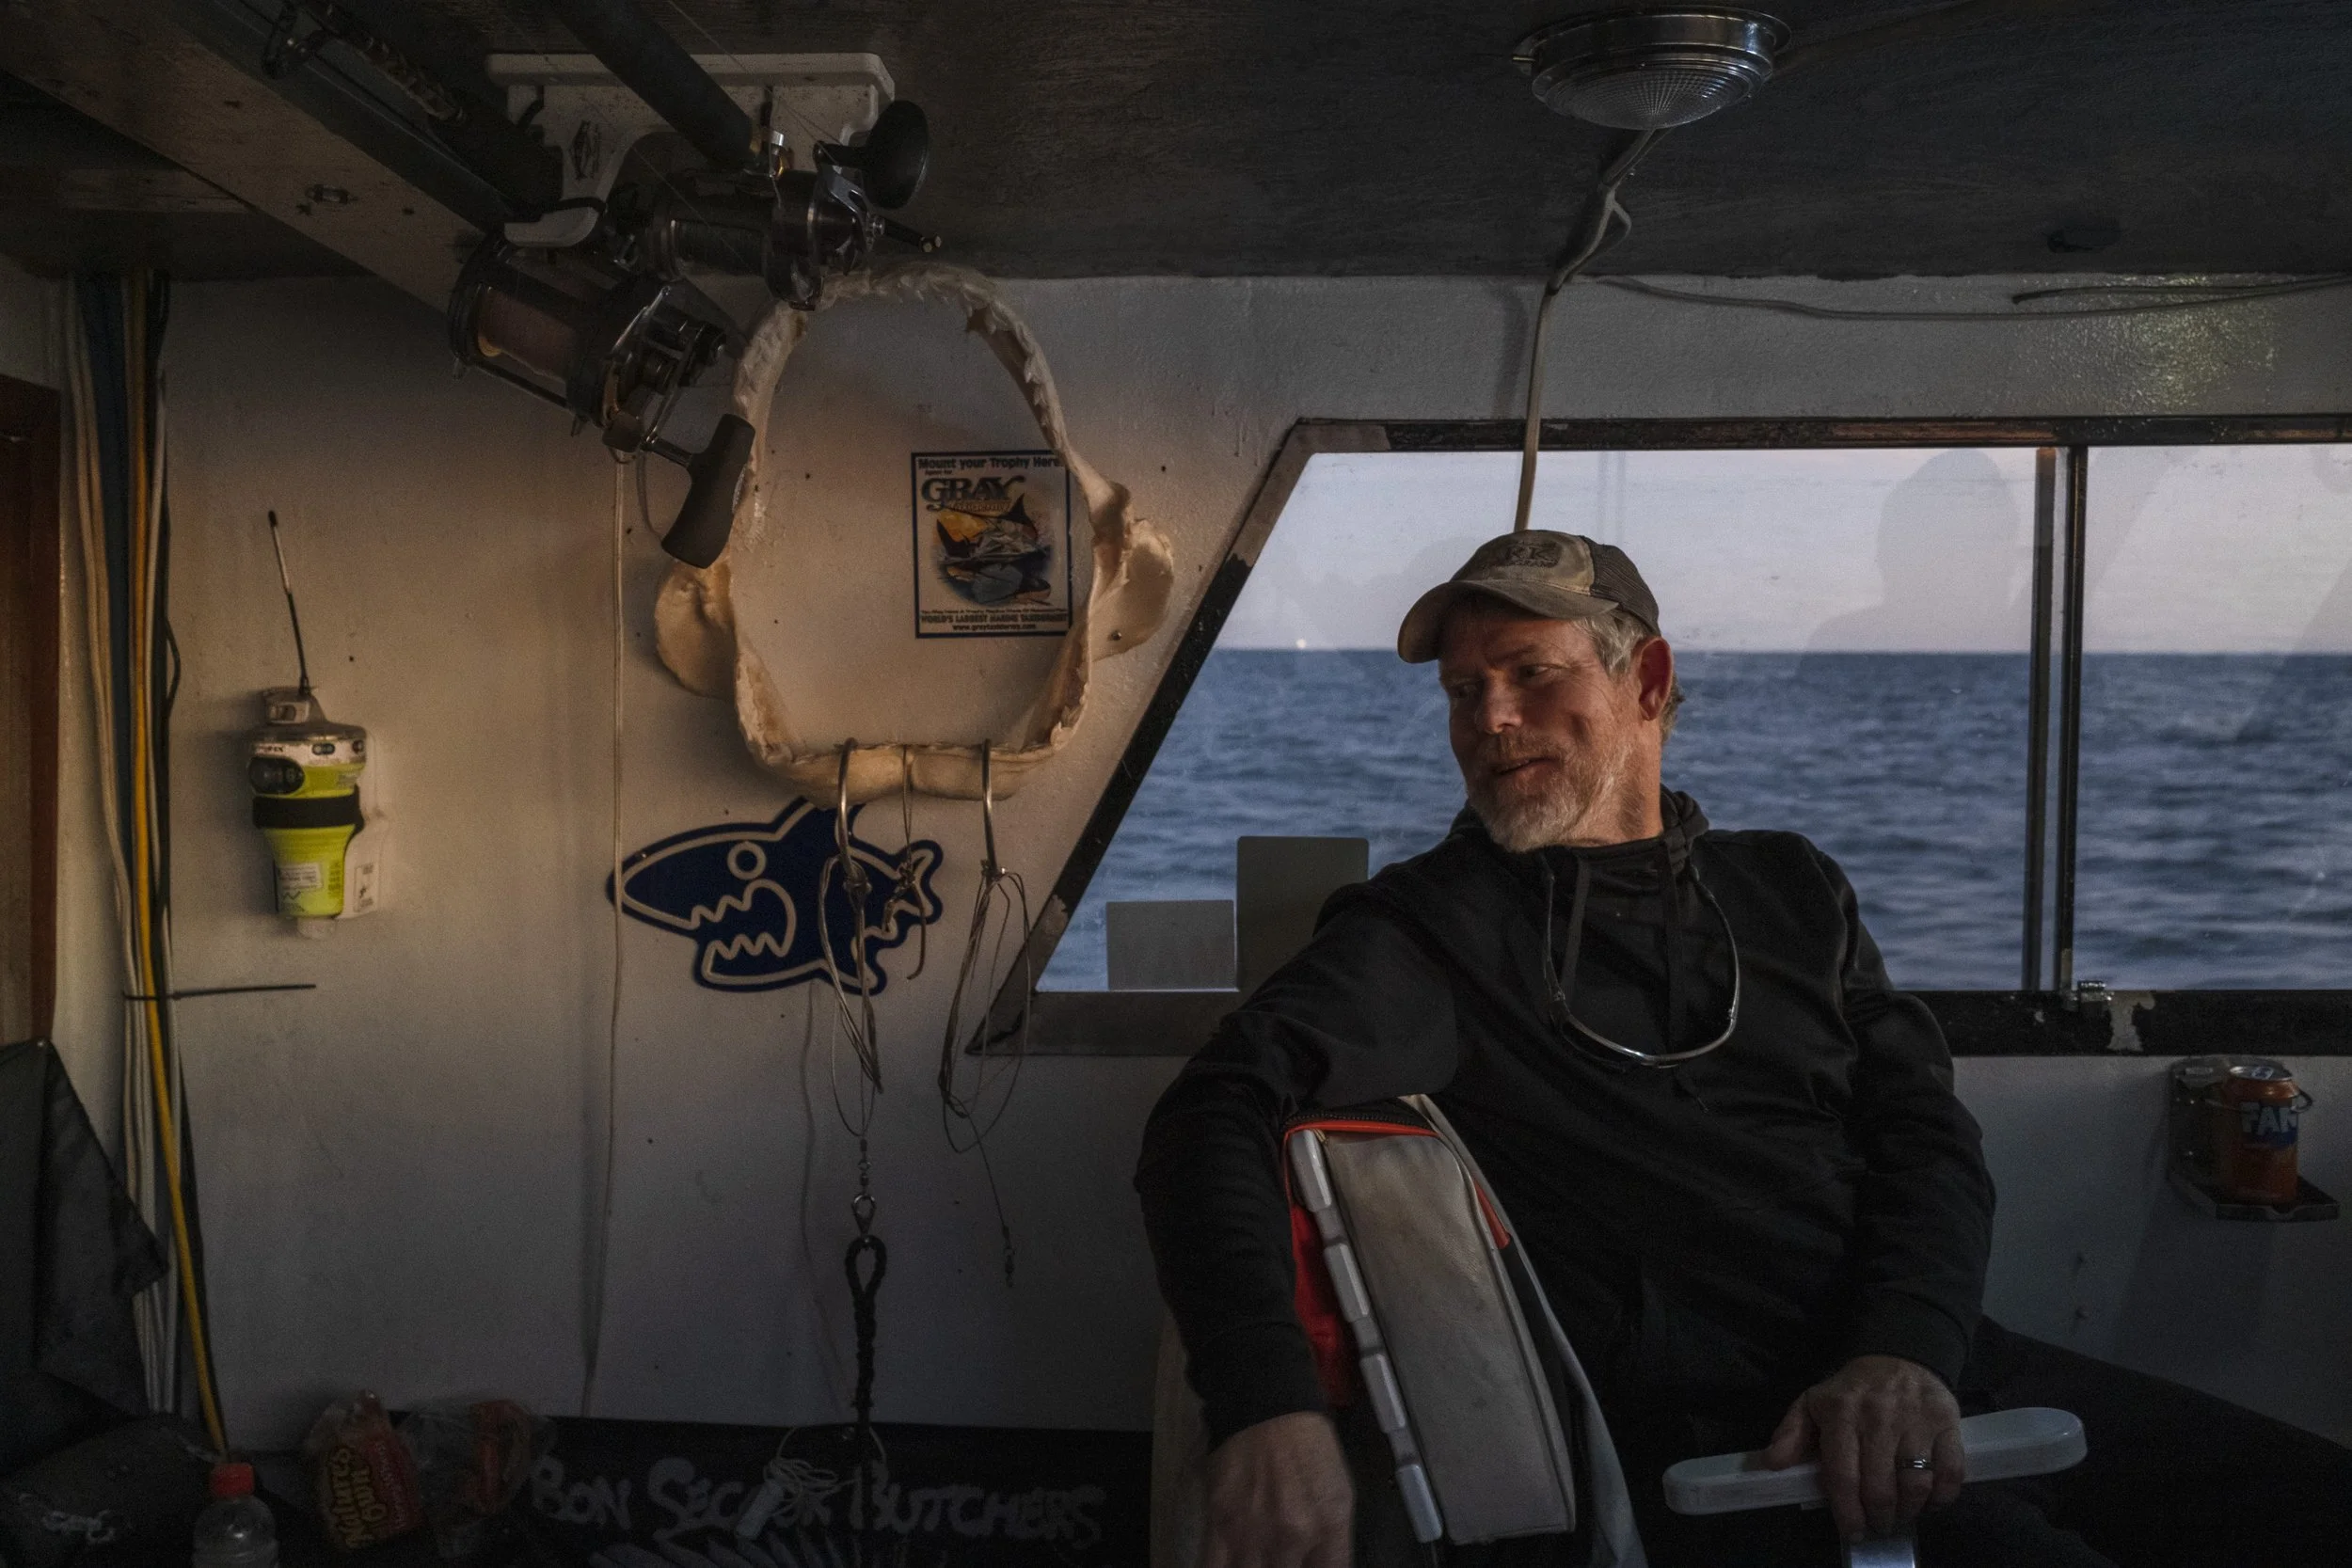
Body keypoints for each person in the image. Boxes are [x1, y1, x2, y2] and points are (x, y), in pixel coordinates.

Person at [1135, 531, 2352, 1568]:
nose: (1488, 720)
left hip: (1930, 1365)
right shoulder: (1435, 931)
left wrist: (1899, 1349)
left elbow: (1926, 1139)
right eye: (1463, 690)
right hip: (1747, 1454)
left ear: (1647, 678)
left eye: (1527, 674)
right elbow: (1214, 1111)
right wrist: (1266, 1404)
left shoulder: (1792, 891)